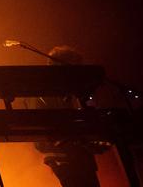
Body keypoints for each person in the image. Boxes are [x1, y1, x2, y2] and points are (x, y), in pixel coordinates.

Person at [32, 46, 103, 187]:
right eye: (75, 67)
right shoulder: (45, 93)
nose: (79, 72)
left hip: (80, 154)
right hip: (64, 155)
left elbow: (90, 115)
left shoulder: (78, 90)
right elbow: (45, 130)